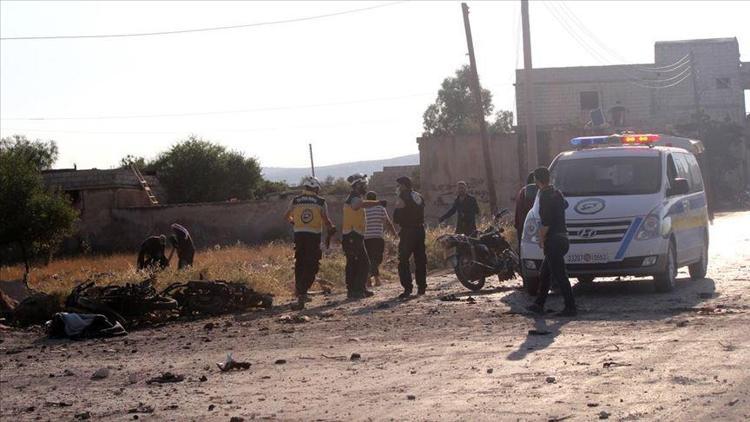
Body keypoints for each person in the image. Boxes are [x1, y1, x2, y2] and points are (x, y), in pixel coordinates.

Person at [526, 167, 577, 317]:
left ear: (536, 180)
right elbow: (565, 205)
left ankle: (570, 307)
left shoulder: (545, 195)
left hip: (553, 241)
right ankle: (539, 304)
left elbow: (546, 223)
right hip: (563, 238)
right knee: (545, 273)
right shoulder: (556, 192)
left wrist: (541, 239)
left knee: (560, 276)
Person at [284, 176, 334, 310]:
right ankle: (302, 292)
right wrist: (331, 228)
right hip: (313, 236)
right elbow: (326, 220)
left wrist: (293, 222)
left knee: (300, 262)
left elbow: (286, 216)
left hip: (299, 235)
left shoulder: (295, 200)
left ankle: (300, 290)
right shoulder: (320, 201)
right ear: (316, 188)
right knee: (312, 264)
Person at [342, 173, 377, 299]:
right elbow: (357, 205)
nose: (365, 187)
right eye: (363, 184)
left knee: (357, 263)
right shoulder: (354, 197)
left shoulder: (355, 196)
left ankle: (359, 289)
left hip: (355, 235)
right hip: (352, 235)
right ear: (357, 185)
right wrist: (377, 203)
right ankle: (355, 290)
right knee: (361, 263)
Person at [392, 176, 427, 299]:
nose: (398, 188)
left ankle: (407, 288)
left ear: (403, 185)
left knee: (403, 259)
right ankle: (422, 287)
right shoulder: (418, 195)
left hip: (408, 231)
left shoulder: (403, 196)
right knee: (420, 259)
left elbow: (396, 217)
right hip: (420, 230)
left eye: (399, 185)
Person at [363, 191, 397, 288]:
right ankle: (375, 279)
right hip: (377, 237)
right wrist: (394, 234)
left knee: (369, 259)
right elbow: (388, 222)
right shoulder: (380, 208)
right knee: (377, 259)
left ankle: (369, 280)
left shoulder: (363, 209)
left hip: (365, 238)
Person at [514, 172, 539, 246]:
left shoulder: (522, 191)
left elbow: (517, 211)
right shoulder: (532, 193)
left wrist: (517, 224)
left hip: (521, 226)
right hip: (530, 228)